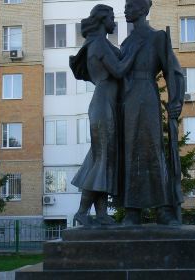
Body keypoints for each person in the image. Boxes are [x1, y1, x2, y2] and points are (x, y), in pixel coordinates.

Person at [70, 4, 141, 226]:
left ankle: (100, 214)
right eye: (111, 17)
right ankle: (82, 212)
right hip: (103, 105)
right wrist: (136, 50)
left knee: (102, 160)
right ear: (102, 20)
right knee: (102, 161)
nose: (114, 21)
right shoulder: (98, 43)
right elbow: (119, 71)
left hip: (107, 104)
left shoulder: (101, 43)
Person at [116, 0, 185, 225]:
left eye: (131, 5)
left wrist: (176, 99)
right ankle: (132, 210)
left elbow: (173, 70)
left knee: (153, 150)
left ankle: (163, 209)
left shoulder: (157, 38)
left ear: (144, 9)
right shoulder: (126, 43)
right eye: (125, 5)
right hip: (126, 101)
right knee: (129, 152)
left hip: (147, 96)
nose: (126, 9)